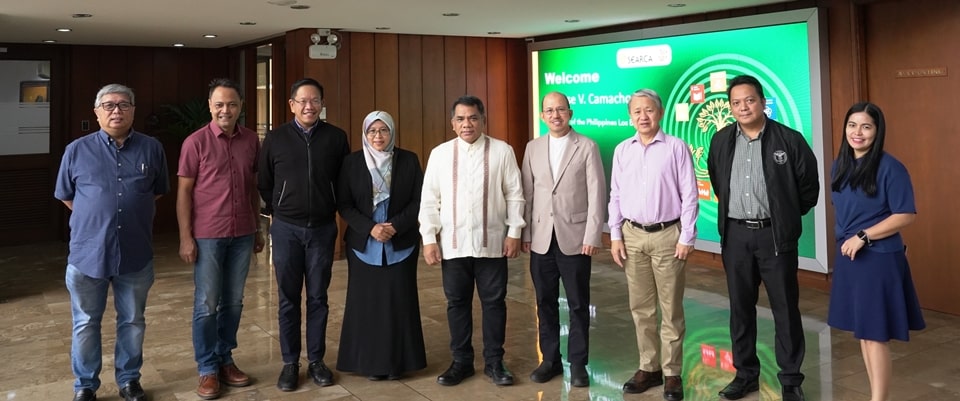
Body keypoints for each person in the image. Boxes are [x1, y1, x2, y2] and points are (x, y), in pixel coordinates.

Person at [706, 75, 819, 401]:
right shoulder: (721, 140)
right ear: (730, 107)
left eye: (750, 100)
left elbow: (808, 188)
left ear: (763, 101)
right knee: (740, 309)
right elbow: (717, 181)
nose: (743, 107)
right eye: (736, 102)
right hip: (736, 236)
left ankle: (790, 380)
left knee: (785, 308)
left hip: (775, 237)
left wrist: (783, 216)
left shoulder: (789, 139)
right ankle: (745, 375)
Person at [55, 83, 170, 401]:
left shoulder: (151, 148)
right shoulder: (76, 150)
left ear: (133, 110)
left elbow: (156, 190)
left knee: (132, 320)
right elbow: (66, 195)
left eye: (123, 105)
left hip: (135, 253)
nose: (116, 110)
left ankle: (129, 380)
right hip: (87, 254)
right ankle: (85, 385)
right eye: (108, 105)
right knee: (85, 322)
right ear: (96, 112)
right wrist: (97, 217)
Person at [419, 95, 525, 387]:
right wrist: (429, 238)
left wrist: (514, 232)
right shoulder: (439, 154)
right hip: (453, 245)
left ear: (482, 120)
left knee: (494, 303)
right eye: (461, 119)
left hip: (493, 244)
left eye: (473, 118)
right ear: (453, 124)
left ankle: (494, 362)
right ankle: (462, 362)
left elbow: (514, 194)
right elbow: (429, 200)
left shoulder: (502, 151)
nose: (467, 124)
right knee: (457, 303)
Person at [827, 102, 925, 401]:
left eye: (866, 126)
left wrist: (863, 236)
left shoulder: (890, 167)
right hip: (851, 257)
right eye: (852, 125)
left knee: (875, 334)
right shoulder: (841, 165)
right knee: (864, 333)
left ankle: (879, 398)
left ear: (877, 131)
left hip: (877, 258)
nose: (858, 132)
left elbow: (905, 214)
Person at [258, 78, 350, 391]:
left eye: (314, 101)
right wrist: (279, 208)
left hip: (323, 228)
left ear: (322, 104)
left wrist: (332, 208)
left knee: (318, 297)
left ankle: (316, 361)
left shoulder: (336, 138)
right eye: (302, 101)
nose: (308, 106)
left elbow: (344, 180)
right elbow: (265, 179)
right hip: (286, 229)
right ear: (292, 105)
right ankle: (290, 363)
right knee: (287, 298)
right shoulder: (276, 137)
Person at [177, 78, 265, 400]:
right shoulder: (195, 142)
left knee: (234, 302)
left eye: (232, 104)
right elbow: (184, 193)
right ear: (210, 106)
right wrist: (186, 237)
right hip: (208, 236)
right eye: (219, 104)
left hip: (242, 233)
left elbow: (253, 188)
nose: (225, 110)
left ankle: (226, 358)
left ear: (240, 107)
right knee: (206, 304)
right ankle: (207, 368)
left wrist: (257, 228)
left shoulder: (252, 141)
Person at [608, 89, 698, 401]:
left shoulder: (676, 147)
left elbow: (690, 194)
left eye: (649, 110)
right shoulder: (623, 150)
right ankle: (649, 366)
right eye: (637, 111)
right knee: (641, 308)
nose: (643, 116)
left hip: (668, 236)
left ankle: (672, 373)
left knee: (671, 308)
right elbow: (615, 195)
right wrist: (615, 235)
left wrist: (687, 236)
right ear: (630, 116)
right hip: (632, 235)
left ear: (659, 113)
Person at [520, 91, 605, 388]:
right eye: (549, 111)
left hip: (576, 238)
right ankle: (550, 360)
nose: (555, 115)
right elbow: (528, 195)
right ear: (542, 116)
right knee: (544, 303)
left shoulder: (587, 146)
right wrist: (526, 234)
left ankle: (578, 363)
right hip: (542, 239)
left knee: (579, 304)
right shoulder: (532, 148)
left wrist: (593, 234)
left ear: (570, 113)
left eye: (560, 110)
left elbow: (597, 194)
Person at [336, 111, 427, 380]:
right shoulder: (351, 162)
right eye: (372, 131)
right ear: (365, 134)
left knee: (400, 303)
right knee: (366, 305)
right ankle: (371, 365)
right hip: (364, 243)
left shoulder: (408, 160)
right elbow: (344, 204)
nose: (378, 136)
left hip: (401, 241)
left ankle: (399, 363)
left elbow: (418, 200)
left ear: (392, 132)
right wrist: (370, 227)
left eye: (383, 130)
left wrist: (395, 226)